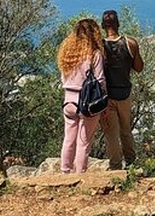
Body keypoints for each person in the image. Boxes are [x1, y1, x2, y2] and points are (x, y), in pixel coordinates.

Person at [57, 18, 107, 174]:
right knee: (84, 142)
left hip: (68, 101)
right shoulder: (94, 54)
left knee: (68, 139)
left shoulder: (67, 53)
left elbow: (63, 77)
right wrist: (104, 101)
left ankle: (65, 171)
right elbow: (100, 80)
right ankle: (80, 173)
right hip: (87, 102)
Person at [99, 10, 144, 170]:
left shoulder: (99, 46)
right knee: (126, 130)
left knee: (111, 133)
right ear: (118, 23)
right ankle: (131, 162)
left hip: (106, 96)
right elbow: (139, 68)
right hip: (124, 93)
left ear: (103, 26)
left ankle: (115, 166)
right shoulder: (130, 43)